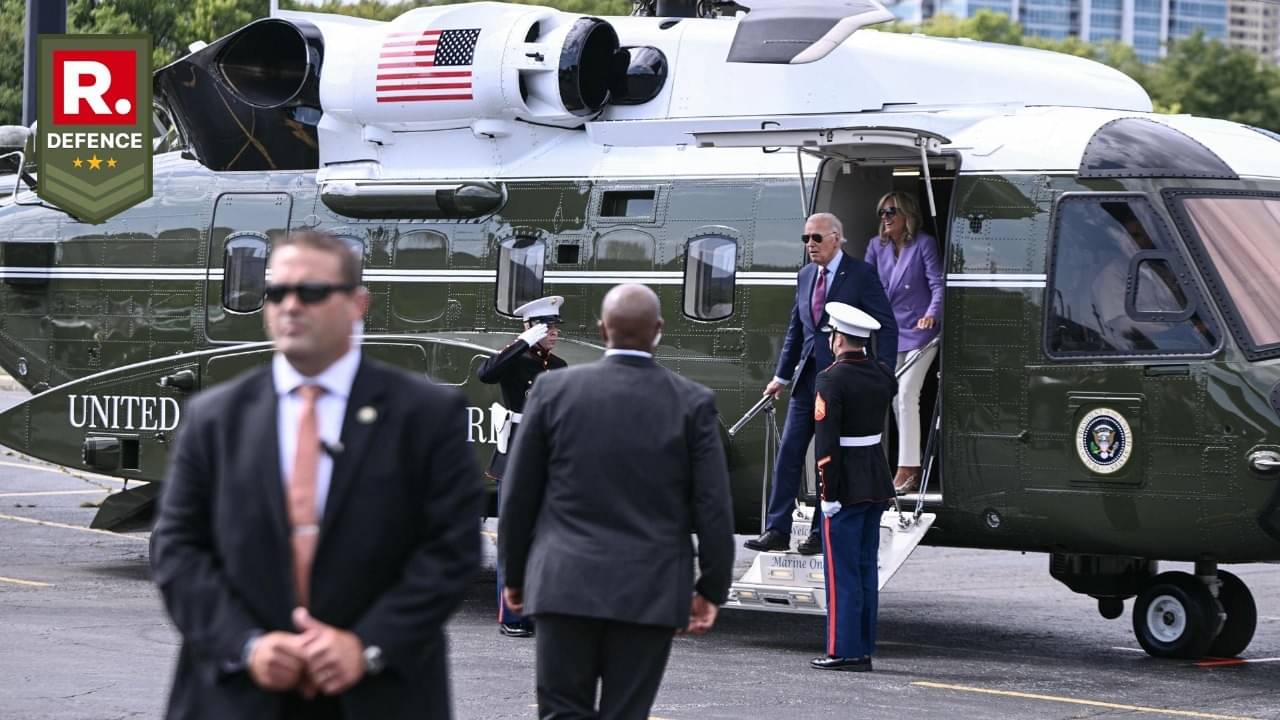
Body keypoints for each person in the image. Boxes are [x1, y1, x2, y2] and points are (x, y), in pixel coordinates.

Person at [150, 230, 481, 719]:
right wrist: (247, 646)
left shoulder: (427, 415)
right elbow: (178, 547)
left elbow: (450, 551)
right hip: (236, 695)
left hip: (379, 695)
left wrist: (367, 645)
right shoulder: (215, 417)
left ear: (357, 304)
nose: (290, 305)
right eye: (275, 292)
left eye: (310, 292)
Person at [498, 283, 735, 720]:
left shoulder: (554, 392)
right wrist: (711, 589)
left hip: (563, 583)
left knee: (562, 711)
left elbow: (518, 497)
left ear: (602, 329)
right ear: (659, 330)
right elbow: (714, 507)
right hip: (650, 588)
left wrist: (515, 575)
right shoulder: (692, 402)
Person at [745, 212, 897, 555]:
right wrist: (780, 377)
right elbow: (796, 331)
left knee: (827, 456)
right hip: (807, 380)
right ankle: (778, 528)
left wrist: (884, 371)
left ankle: (818, 532)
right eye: (805, 239)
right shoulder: (805, 276)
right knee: (790, 454)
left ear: (836, 238)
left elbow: (887, 324)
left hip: (841, 381)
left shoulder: (861, 274)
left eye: (816, 238)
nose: (810, 245)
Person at [810, 302, 898, 672]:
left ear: (838, 338)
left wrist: (827, 494)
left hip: (845, 485)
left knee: (840, 572)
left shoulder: (831, 379)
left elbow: (827, 444)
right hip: (875, 479)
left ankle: (842, 650)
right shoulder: (881, 374)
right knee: (864, 569)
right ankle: (862, 647)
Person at [477, 295, 568, 638]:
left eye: (556, 327)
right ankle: (513, 617)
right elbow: (487, 374)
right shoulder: (513, 360)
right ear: (530, 327)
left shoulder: (557, 367)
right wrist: (520, 343)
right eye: (548, 327)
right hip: (516, 454)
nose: (555, 333)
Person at [864, 192, 943, 494]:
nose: (885, 218)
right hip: (890, 332)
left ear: (906, 215)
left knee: (907, 393)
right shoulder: (875, 246)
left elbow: (937, 283)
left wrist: (930, 315)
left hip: (922, 332)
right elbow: (866, 284)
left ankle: (908, 469)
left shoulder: (923, 244)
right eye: (882, 212)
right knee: (893, 398)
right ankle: (893, 465)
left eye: (891, 212)